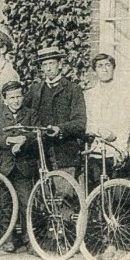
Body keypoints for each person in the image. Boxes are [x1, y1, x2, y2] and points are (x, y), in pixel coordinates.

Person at [0, 80, 38, 253]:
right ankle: (8, 238)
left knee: (26, 202)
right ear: (5, 99)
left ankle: (29, 239)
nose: (16, 100)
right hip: (2, 166)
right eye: (12, 97)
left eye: (19, 96)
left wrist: (25, 139)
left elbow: (37, 134)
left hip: (23, 166)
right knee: (4, 203)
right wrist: (9, 140)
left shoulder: (31, 113)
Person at [23, 46, 87, 175]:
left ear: (60, 65)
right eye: (44, 64)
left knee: (64, 193)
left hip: (64, 152)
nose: (48, 68)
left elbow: (80, 122)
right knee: (42, 192)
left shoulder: (73, 89)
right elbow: (24, 113)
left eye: (51, 63)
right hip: (39, 153)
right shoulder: (35, 90)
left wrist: (61, 129)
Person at [84, 53, 130, 179]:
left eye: (108, 65)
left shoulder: (124, 93)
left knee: (118, 193)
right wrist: (98, 130)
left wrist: (120, 150)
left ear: (113, 68)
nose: (104, 69)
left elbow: (127, 124)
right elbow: (87, 121)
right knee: (97, 191)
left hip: (118, 150)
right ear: (95, 70)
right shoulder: (88, 95)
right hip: (96, 150)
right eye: (100, 66)